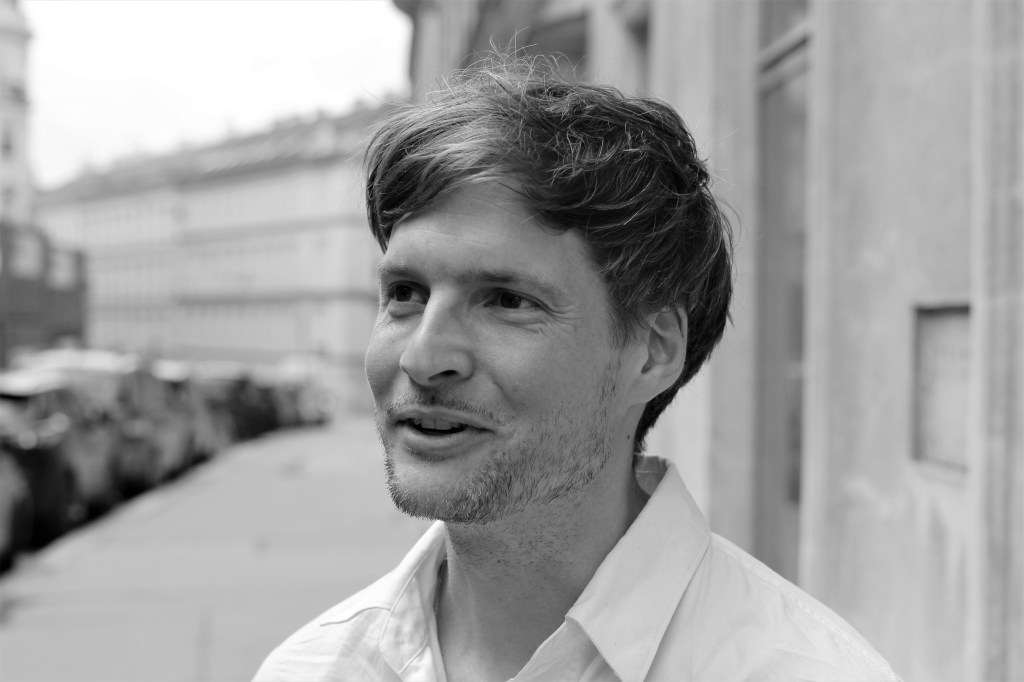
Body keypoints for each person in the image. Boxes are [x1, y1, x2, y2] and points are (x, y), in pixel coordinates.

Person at [254, 57, 901, 682]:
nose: (422, 358)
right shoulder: (313, 669)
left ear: (652, 351)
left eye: (507, 301)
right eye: (405, 294)